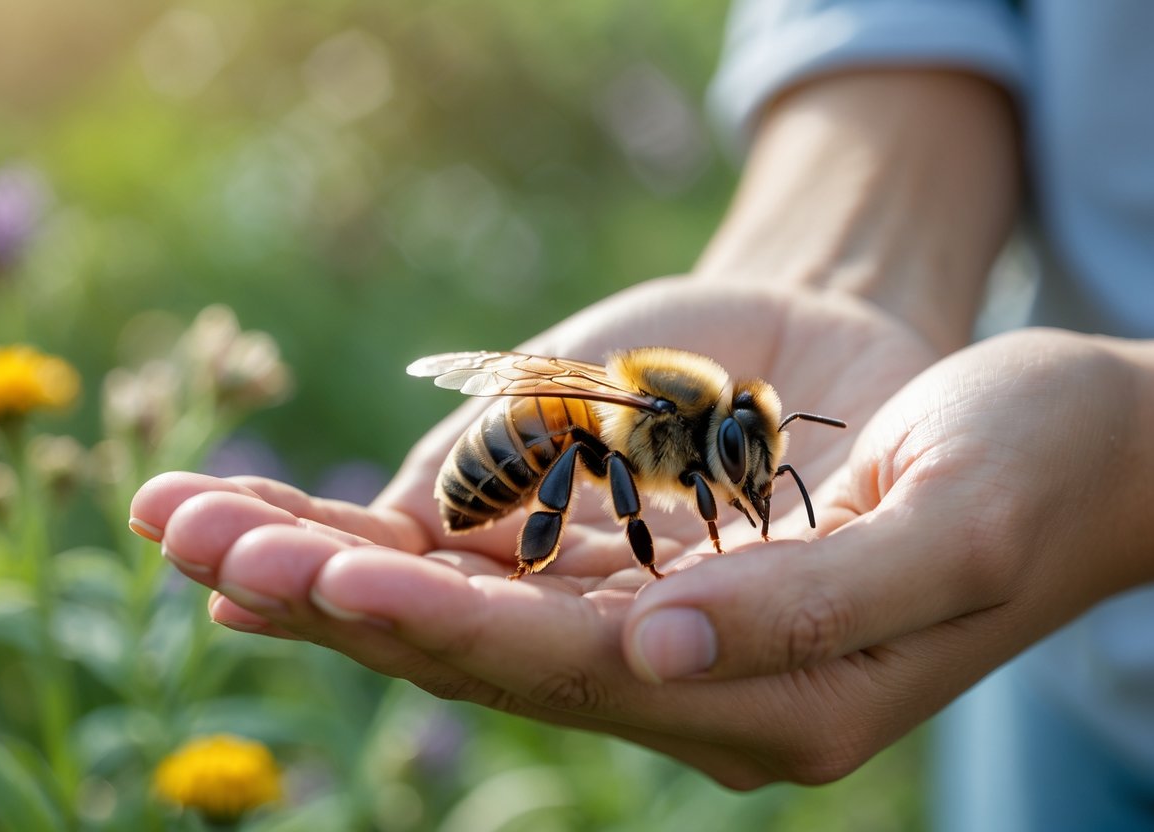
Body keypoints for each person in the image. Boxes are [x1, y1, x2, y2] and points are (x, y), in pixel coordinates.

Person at [129, 2, 1154, 828]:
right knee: (562, 448)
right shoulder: (658, 421)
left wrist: (1131, 457)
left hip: (1051, 600)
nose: (751, 478)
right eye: (746, 459)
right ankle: (529, 537)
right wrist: (853, 276)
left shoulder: (692, 430)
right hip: (1064, 688)